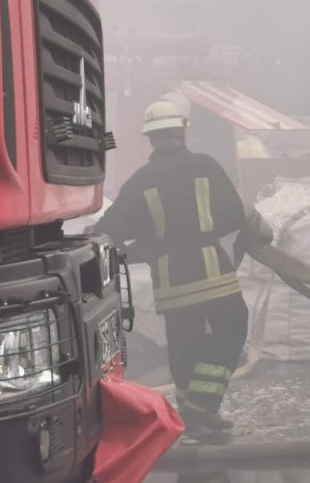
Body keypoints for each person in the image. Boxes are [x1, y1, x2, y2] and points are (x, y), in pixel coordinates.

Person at [95, 98, 271, 440]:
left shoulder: (140, 181)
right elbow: (235, 213)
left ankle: (194, 414)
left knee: (183, 346)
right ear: (182, 130)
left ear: (150, 138)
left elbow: (108, 229)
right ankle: (204, 404)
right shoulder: (205, 166)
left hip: (172, 281)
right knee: (232, 329)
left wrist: (136, 249)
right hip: (213, 274)